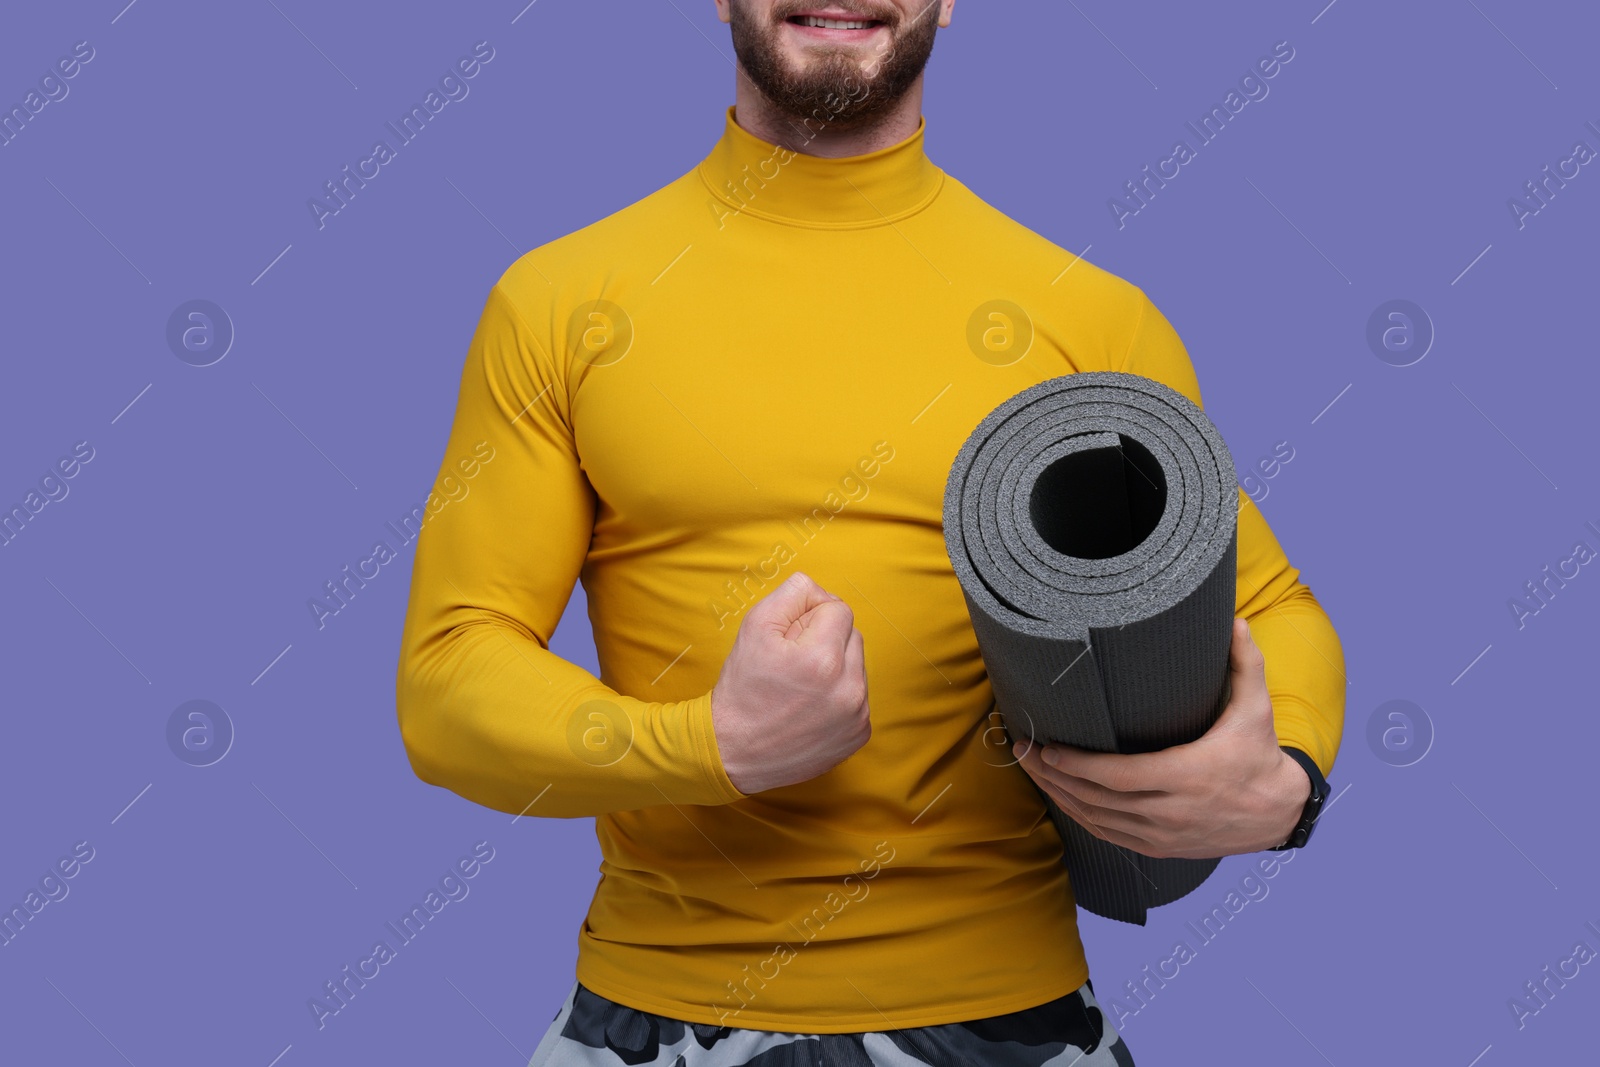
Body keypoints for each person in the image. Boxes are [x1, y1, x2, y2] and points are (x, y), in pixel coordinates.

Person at [394, 2, 1346, 1063]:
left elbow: (1269, 604)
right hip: (658, 1020)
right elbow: (446, 680)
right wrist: (714, 746)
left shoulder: (1092, 318)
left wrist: (1283, 785)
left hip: (1017, 1021)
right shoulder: (559, 305)